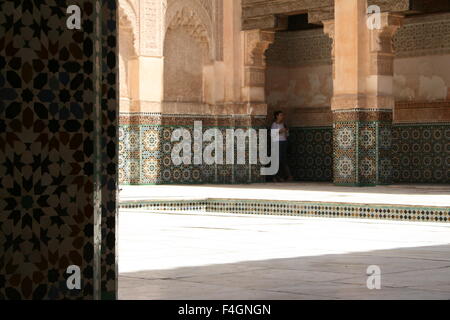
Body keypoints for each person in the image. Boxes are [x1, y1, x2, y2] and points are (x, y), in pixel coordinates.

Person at [271, 111, 293, 182]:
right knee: (278, 160)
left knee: (284, 160)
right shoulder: (274, 125)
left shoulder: (284, 124)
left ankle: (286, 176)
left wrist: (286, 132)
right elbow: (272, 135)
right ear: (276, 116)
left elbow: (287, 135)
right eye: (280, 115)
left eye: (282, 115)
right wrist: (280, 131)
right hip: (277, 143)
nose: (282, 116)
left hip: (284, 142)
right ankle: (276, 177)